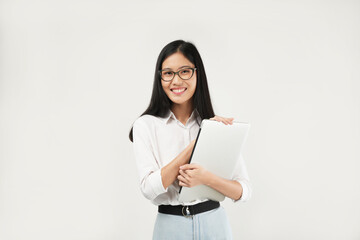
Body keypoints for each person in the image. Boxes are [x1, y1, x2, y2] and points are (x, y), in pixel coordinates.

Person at [128, 39, 252, 239]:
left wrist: (206, 179)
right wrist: (196, 146)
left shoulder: (216, 127)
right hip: (170, 226)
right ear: (159, 78)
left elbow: (243, 191)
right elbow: (149, 189)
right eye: (168, 73)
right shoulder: (146, 125)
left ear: (197, 74)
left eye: (185, 71)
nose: (176, 81)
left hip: (215, 224)